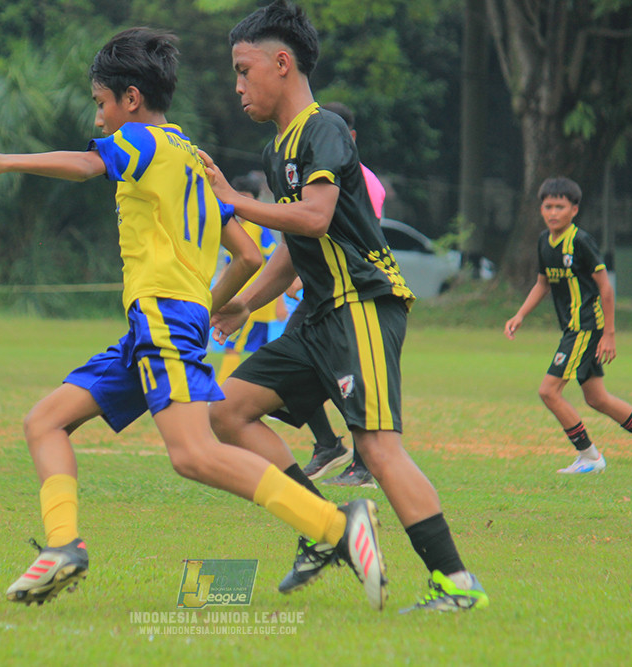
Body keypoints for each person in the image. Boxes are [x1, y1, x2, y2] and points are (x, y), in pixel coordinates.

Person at [0, 27, 387, 610]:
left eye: (102, 103)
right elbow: (249, 255)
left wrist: (4, 161)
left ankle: (337, 525)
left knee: (193, 455)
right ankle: (64, 549)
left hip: (161, 320)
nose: (99, 118)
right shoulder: (190, 154)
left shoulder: (140, 141)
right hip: (155, 327)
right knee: (45, 422)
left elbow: (84, 164)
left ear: (131, 99)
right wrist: (206, 309)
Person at [205, 0, 488, 613]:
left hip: (361, 304)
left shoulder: (323, 128)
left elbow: (315, 215)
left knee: (378, 448)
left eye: (243, 70)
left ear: (282, 63)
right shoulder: (277, 147)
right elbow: (294, 246)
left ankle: (455, 584)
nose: (237, 86)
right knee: (227, 412)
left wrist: (233, 202)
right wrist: (245, 305)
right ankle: (324, 525)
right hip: (318, 317)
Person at [504, 176, 632, 475]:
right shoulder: (544, 241)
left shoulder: (581, 241)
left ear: (574, 209)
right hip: (573, 329)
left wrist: (609, 334)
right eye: (548, 206)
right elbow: (542, 283)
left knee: (548, 391)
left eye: (560, 206)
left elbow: (606, 289)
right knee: (597, 398)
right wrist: (520, 315)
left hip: (586, 327)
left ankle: (589, 457)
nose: (553, 212)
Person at [302, 100, 388, 487]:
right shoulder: (314, 174)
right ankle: (327, 443)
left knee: (346, 378)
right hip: (318, 288)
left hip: (348, 290)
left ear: (348, 137)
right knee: (289, 368)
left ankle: (366, 461)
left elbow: (355, 235)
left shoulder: (363, 181)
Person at [210, 173, 288, 385]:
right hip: (246, 303)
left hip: (252, 303)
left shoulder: (258, 229)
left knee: (233, 348)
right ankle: (253, 397)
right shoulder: (236, 227)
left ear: (255, 200)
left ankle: (220, 396)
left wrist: (279, 303)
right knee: (252, 352)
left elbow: (278, 265)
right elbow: (228, 264)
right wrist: (217, 289)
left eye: (245, 197)